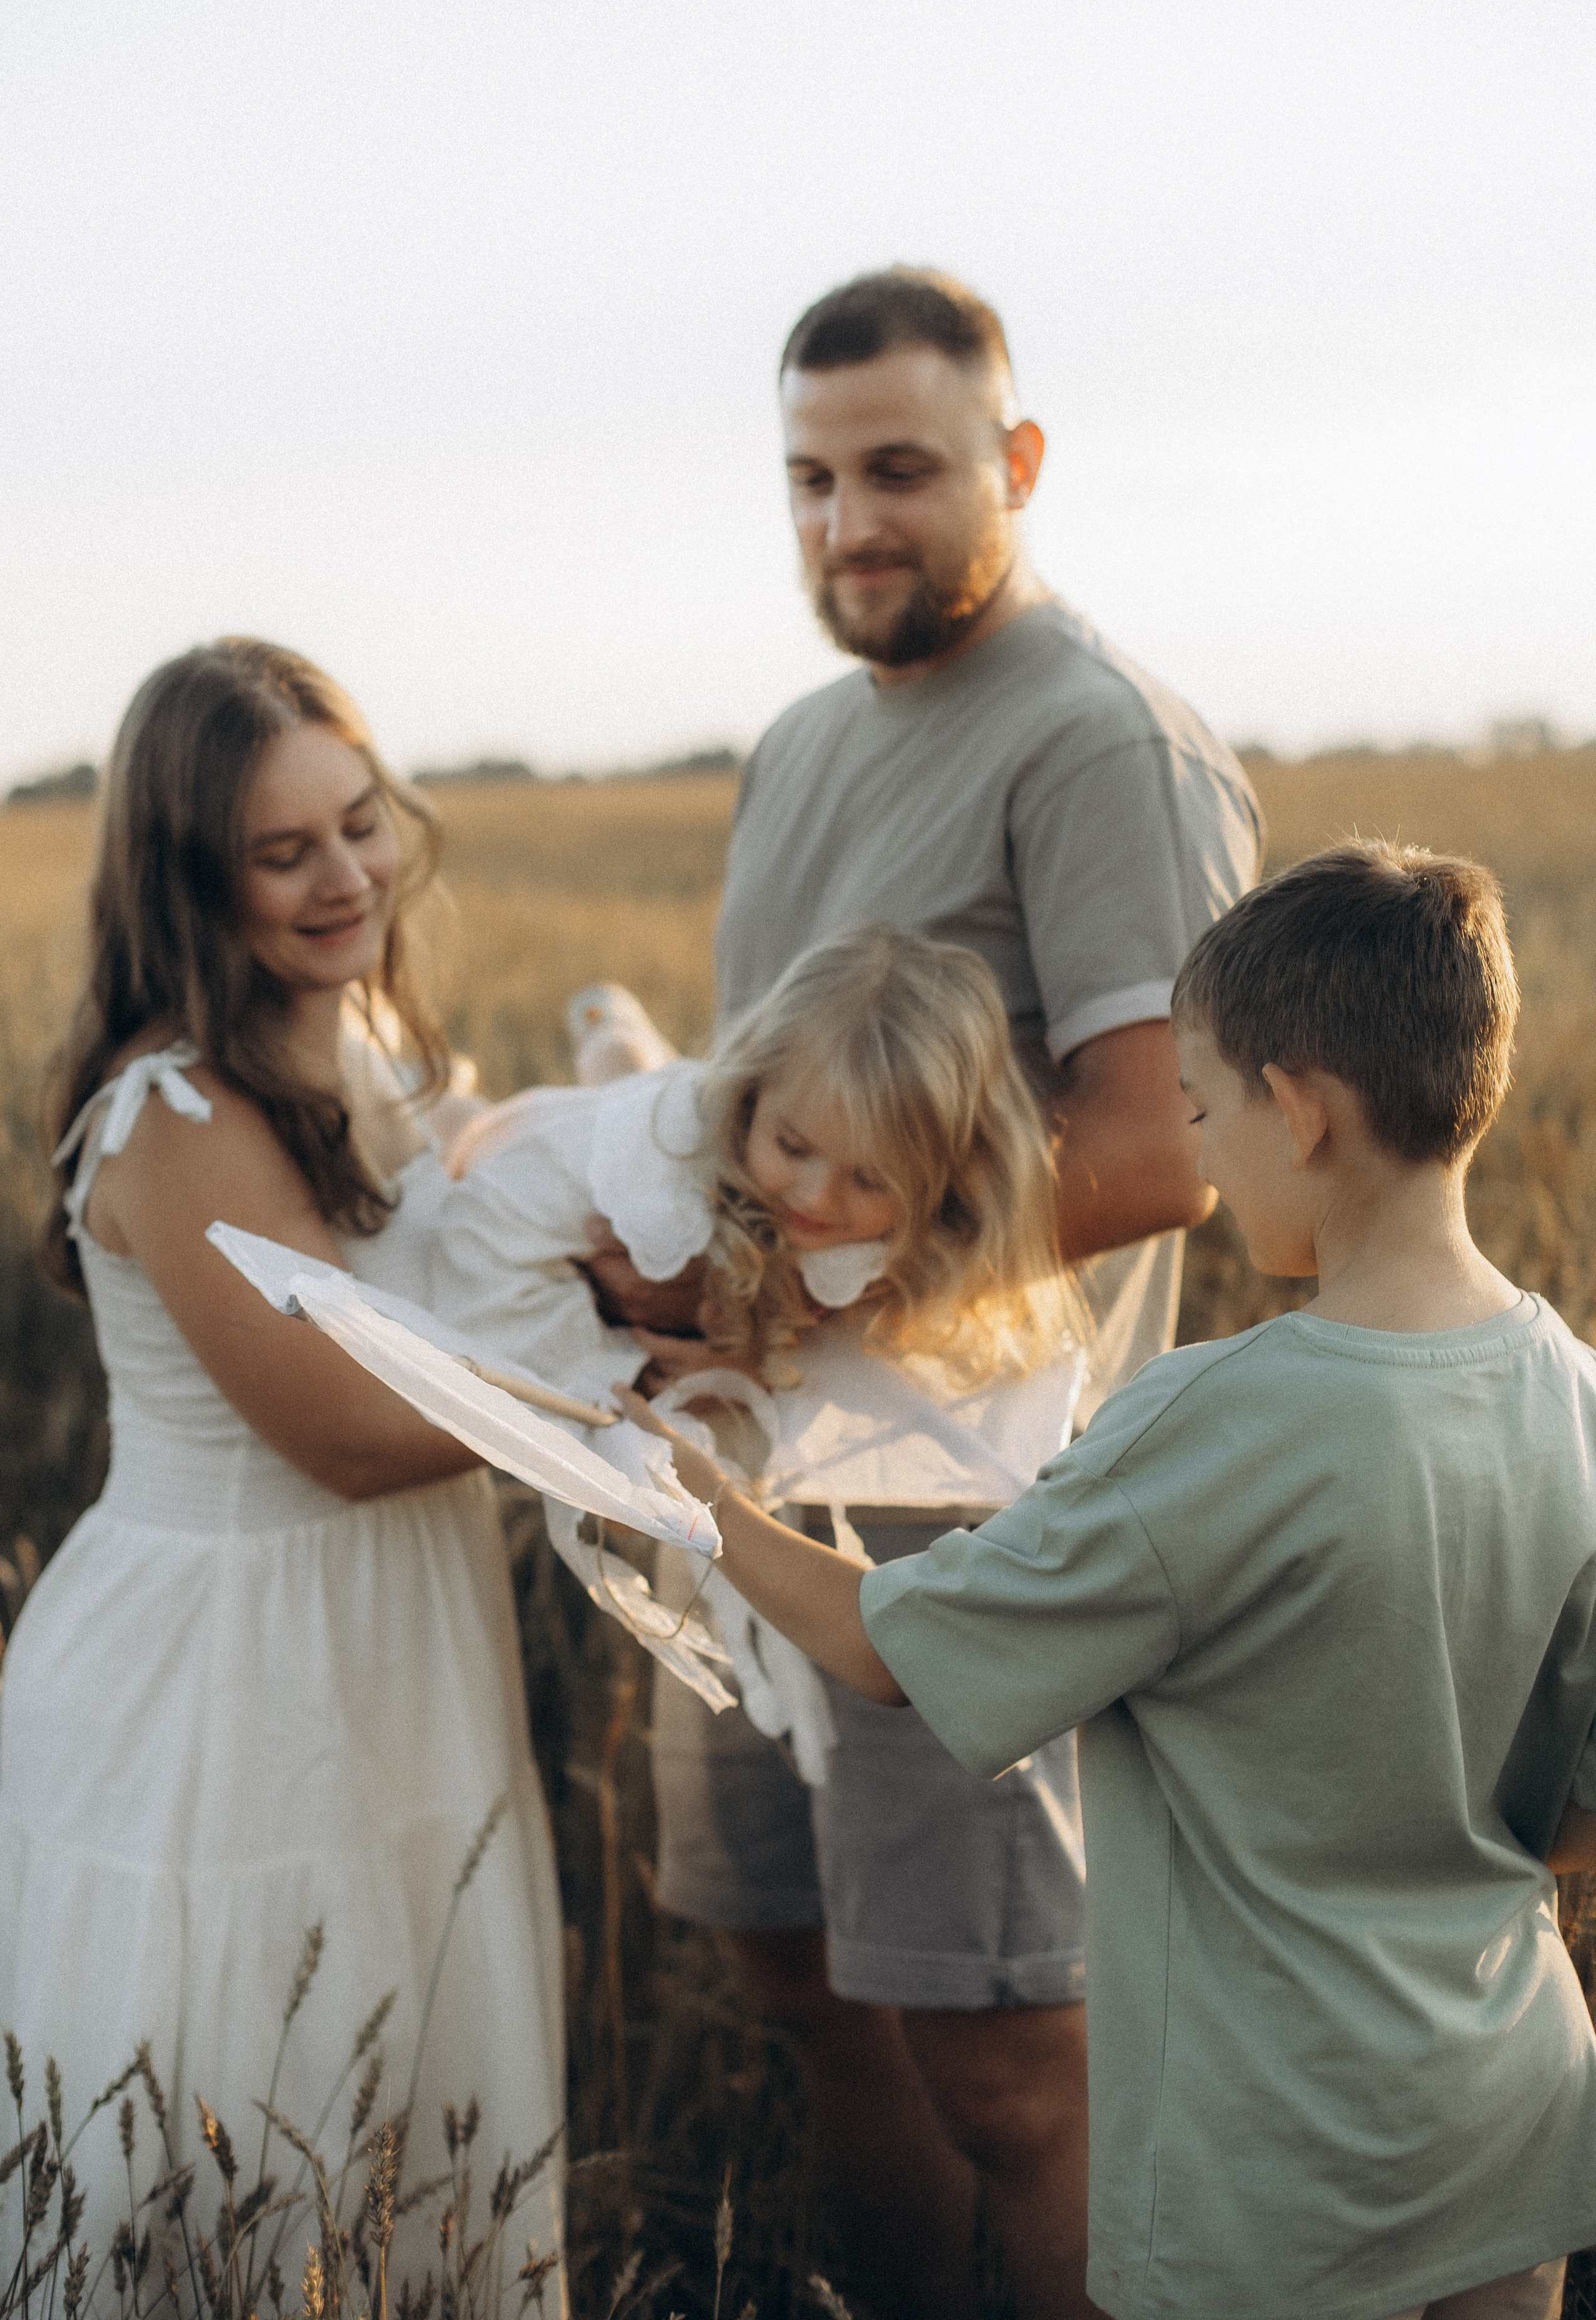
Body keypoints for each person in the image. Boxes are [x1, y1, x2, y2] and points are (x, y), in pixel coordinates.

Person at [622, 840, 1596, 2320]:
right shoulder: (1575, 1393)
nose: (1196, 1155)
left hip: (1262, 2146)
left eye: (1201, 1107)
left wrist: (705, 1502)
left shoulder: (1207, 1424)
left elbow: (896, 1643)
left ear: (1296, 1108)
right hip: (1505, 2107)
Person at [589, 267, 1262, 2319]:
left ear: (1014, 463)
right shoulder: (796, 744)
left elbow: (1165, 1147)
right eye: (809, 478)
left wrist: (784, 1287)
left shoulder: (1102, 740)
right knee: (808, 1998)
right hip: (746, 1496)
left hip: (972, 1520)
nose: (845, 523)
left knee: (1011, 2070)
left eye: (898, 470)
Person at [0, 641, 564, 2288]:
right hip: (231, 1674)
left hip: (390, 1637)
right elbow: (346, 1433)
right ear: (190, 879)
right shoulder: (175, 1112)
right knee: (257, 2087)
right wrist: (611, 1397)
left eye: (363, 820)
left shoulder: (366, 1048)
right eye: (283, 850)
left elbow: (468, 1244)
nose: (348, 876)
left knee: (411, 2073)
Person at [431, 925, 1076, 1402]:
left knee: (629, 1074)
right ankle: (469, 1082)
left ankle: (617, 1037)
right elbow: (481, 1229)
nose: (818, 1200)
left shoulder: (914, 1204)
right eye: (792, 1149)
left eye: (871, 1179)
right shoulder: (649, 1171)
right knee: (471, 1131)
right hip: (540, 1136)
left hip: (670, 1105)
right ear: (749, 1099)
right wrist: (612, 1366)